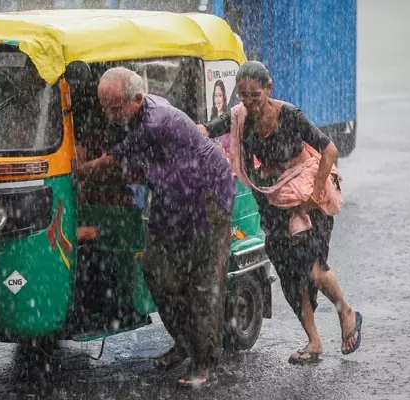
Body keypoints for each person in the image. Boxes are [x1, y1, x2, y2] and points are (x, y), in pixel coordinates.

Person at [77, 67, 235, 387]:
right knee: (156, 270)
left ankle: (204, 362)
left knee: (202, 282)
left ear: (136, 99)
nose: (109, 115)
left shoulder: (155, 121)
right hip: (171, 196)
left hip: (206, 197)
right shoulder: (138, 112)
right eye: (104, 107)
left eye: (115, 107)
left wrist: (82, 171)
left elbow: (119, 159)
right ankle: (185, 342)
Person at [197, 61, 362, 364]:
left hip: (306, 201)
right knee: (289, 276)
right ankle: (313, 341)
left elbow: (329, 150)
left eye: (255, 95)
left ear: (269, 89)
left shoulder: (290, 116)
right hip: (273, 202)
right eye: (243, 95)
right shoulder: (240, 118)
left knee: (311, 265)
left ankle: (346, 312)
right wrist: (195, 131)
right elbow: (212, 127)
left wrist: (313, 194)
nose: (249, 102)